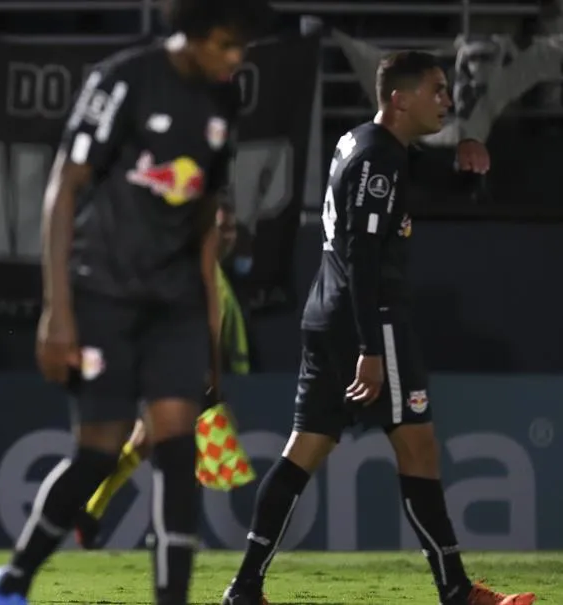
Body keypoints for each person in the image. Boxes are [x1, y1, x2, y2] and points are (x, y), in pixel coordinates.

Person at [220, 52, 535, 605]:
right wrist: (370, 345)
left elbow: (404, 183)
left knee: (307, 449)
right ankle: (457, 592)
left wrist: (459, 165)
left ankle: (245, 586)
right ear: (399, 98)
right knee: (418, 449)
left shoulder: (368, 145)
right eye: (436, 90)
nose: (446, 100)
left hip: (330, 313)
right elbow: (362, 252)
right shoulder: (378, 159)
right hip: (371, 320)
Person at [0, 1, 268, 604]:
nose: (234, 58)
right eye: (223, 44)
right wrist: (57, 310)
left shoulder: (224, 101)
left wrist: (208, 339)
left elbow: (205, 221)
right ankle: (16, 577)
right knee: (99, 453)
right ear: (188, 33)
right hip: (103, 294)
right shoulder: (123, 80)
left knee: (175, 447)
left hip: (175, 303)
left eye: (241, 46)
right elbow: (64, 186)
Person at [72, 198, 251, 550]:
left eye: (231, 227)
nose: (228, 235)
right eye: (221, 226)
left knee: (145, 443)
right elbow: (208, 329)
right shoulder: (201, 274)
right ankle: (170, 532)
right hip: (183, 371)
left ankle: (94, 511)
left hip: (172, 367)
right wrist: (212, 377)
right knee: (184, 450)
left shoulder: (206, 273)